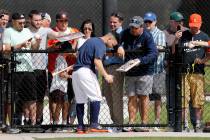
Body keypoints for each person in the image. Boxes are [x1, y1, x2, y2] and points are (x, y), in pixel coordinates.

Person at [72, 33, 118, 134]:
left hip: (76, 72)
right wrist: (106, 76)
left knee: (80, 100)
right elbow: (97, 61)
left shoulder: (90, 40)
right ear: (109, 38)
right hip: (86, 72)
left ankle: (80, 126)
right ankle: (94, 124)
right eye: (113, 44)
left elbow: (77, 53)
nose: (112, 47)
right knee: (96, 97)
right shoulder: (100, 43)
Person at [117, 16, 157, 132]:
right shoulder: (125, 33)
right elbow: (118, 41)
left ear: (141, 27)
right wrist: (119, 46)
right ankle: (131, 123)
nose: (133, 30)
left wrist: (140, 61)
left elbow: (153, 54)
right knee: (131, 97)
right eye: (132, 28)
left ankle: (144, 123)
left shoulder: (147, 37)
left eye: (135, 28)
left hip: (144, 72)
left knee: (144, 97)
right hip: (129, 71)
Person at [3, 12, 41, 126]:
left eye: (24, 23)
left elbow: (34, 48)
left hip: (29, 68)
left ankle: (31, 123)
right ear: (14, 22)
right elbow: (6, 49)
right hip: (15, 69)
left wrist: (37, 42)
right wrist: (21, 45)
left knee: (31, 97)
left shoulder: (27, 31)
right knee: (13, 98)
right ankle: (12, 123)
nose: (22, 25)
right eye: (20, 23)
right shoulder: (8, 31)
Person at [175, 13, 209, 132]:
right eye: (192, 25)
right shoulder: (183, 35)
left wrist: (203, 60)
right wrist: (176, 39)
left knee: (198, 99)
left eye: (196, 25)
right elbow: (174, 51)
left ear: (200, 24)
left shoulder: (204, 36)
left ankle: (198, 124)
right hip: (184, 72)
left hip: (198, 73)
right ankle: (185, 125)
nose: (194, 28)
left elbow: (209, 50)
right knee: (184, 99)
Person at [48, 11, 79, 125]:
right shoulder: (53, 32)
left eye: (65, 21)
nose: (64, 23)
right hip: (55, 68)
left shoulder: (73, 31)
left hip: (70, 67)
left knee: (67, 97)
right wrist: (58, 46)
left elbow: (76, 47)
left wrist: (72, 49)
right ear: (57, 21)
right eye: (61, 21)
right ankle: (54, 122)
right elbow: (49, 48)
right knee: (55, 97)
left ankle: (65, 122)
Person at [68, 19, 96, 125]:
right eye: (85, 28)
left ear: (92, 30)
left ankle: (92, 123)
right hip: (79, 71)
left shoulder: (95, 40)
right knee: (77, 98)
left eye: (89, 29)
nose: (87, 30)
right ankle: (73, 123)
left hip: (91, 72)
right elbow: (72, 51)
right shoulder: (79, 39)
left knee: (91, 98)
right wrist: (75, 53)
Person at [143, 12, 166, 129]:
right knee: (144, 97)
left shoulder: (160, 33)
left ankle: (156, 122)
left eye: (150, 22)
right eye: (146, 21)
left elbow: (161, 49)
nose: (147, 24)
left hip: (157, 70)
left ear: (155, 22)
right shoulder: (143, 34)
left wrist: (149, 48)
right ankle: (145, 122)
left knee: (157, 98)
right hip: (145, 70)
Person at [103, 12, 124, 126]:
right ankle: (115, 121)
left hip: (116, 67)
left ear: (121, 22)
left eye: (115, 22)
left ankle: (119, 124)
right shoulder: (109, 34)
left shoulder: (122, 34)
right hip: (105, 67)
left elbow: (121, 52)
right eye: (110, 22)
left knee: (116, 97)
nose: (112, 24)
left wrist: (114, 48)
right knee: (107, 95)